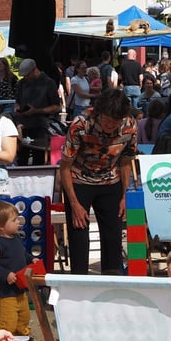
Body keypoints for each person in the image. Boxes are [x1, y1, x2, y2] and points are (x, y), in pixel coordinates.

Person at [59, 89, 137, 275]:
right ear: (98, 113)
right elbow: (65, 166)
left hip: (111, 181)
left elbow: (127, 161)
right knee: (79, 236)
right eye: (106, 120)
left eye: (115, 122)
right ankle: (79, 284)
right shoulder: (81, 124)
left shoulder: (129, 126)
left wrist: (125, 195)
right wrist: (74, 203)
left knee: (113, 236)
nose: (110, 125)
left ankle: (112, 282)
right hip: (79, 179)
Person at [0, 200, 30, 337]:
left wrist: (31, 258)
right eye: (14, 220)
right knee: (9, 321)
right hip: (5, 292)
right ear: (1, 226)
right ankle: (3, 337)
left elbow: (22, 253)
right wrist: (5, 275)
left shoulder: (16, 237)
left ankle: (19, 334)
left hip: (20, 288)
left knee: (25, 316)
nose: (18, 222)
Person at [14, 58, 62, 166]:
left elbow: (56, 107)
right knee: (21, 159)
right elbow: (18, 101)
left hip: (40, 126)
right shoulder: (22, 83)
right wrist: (18, 108)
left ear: (35, 70)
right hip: (23, 125)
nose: (26, 78)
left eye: (27, 75)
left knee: (38, 159)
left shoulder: (48, 83)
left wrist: (37, 111)